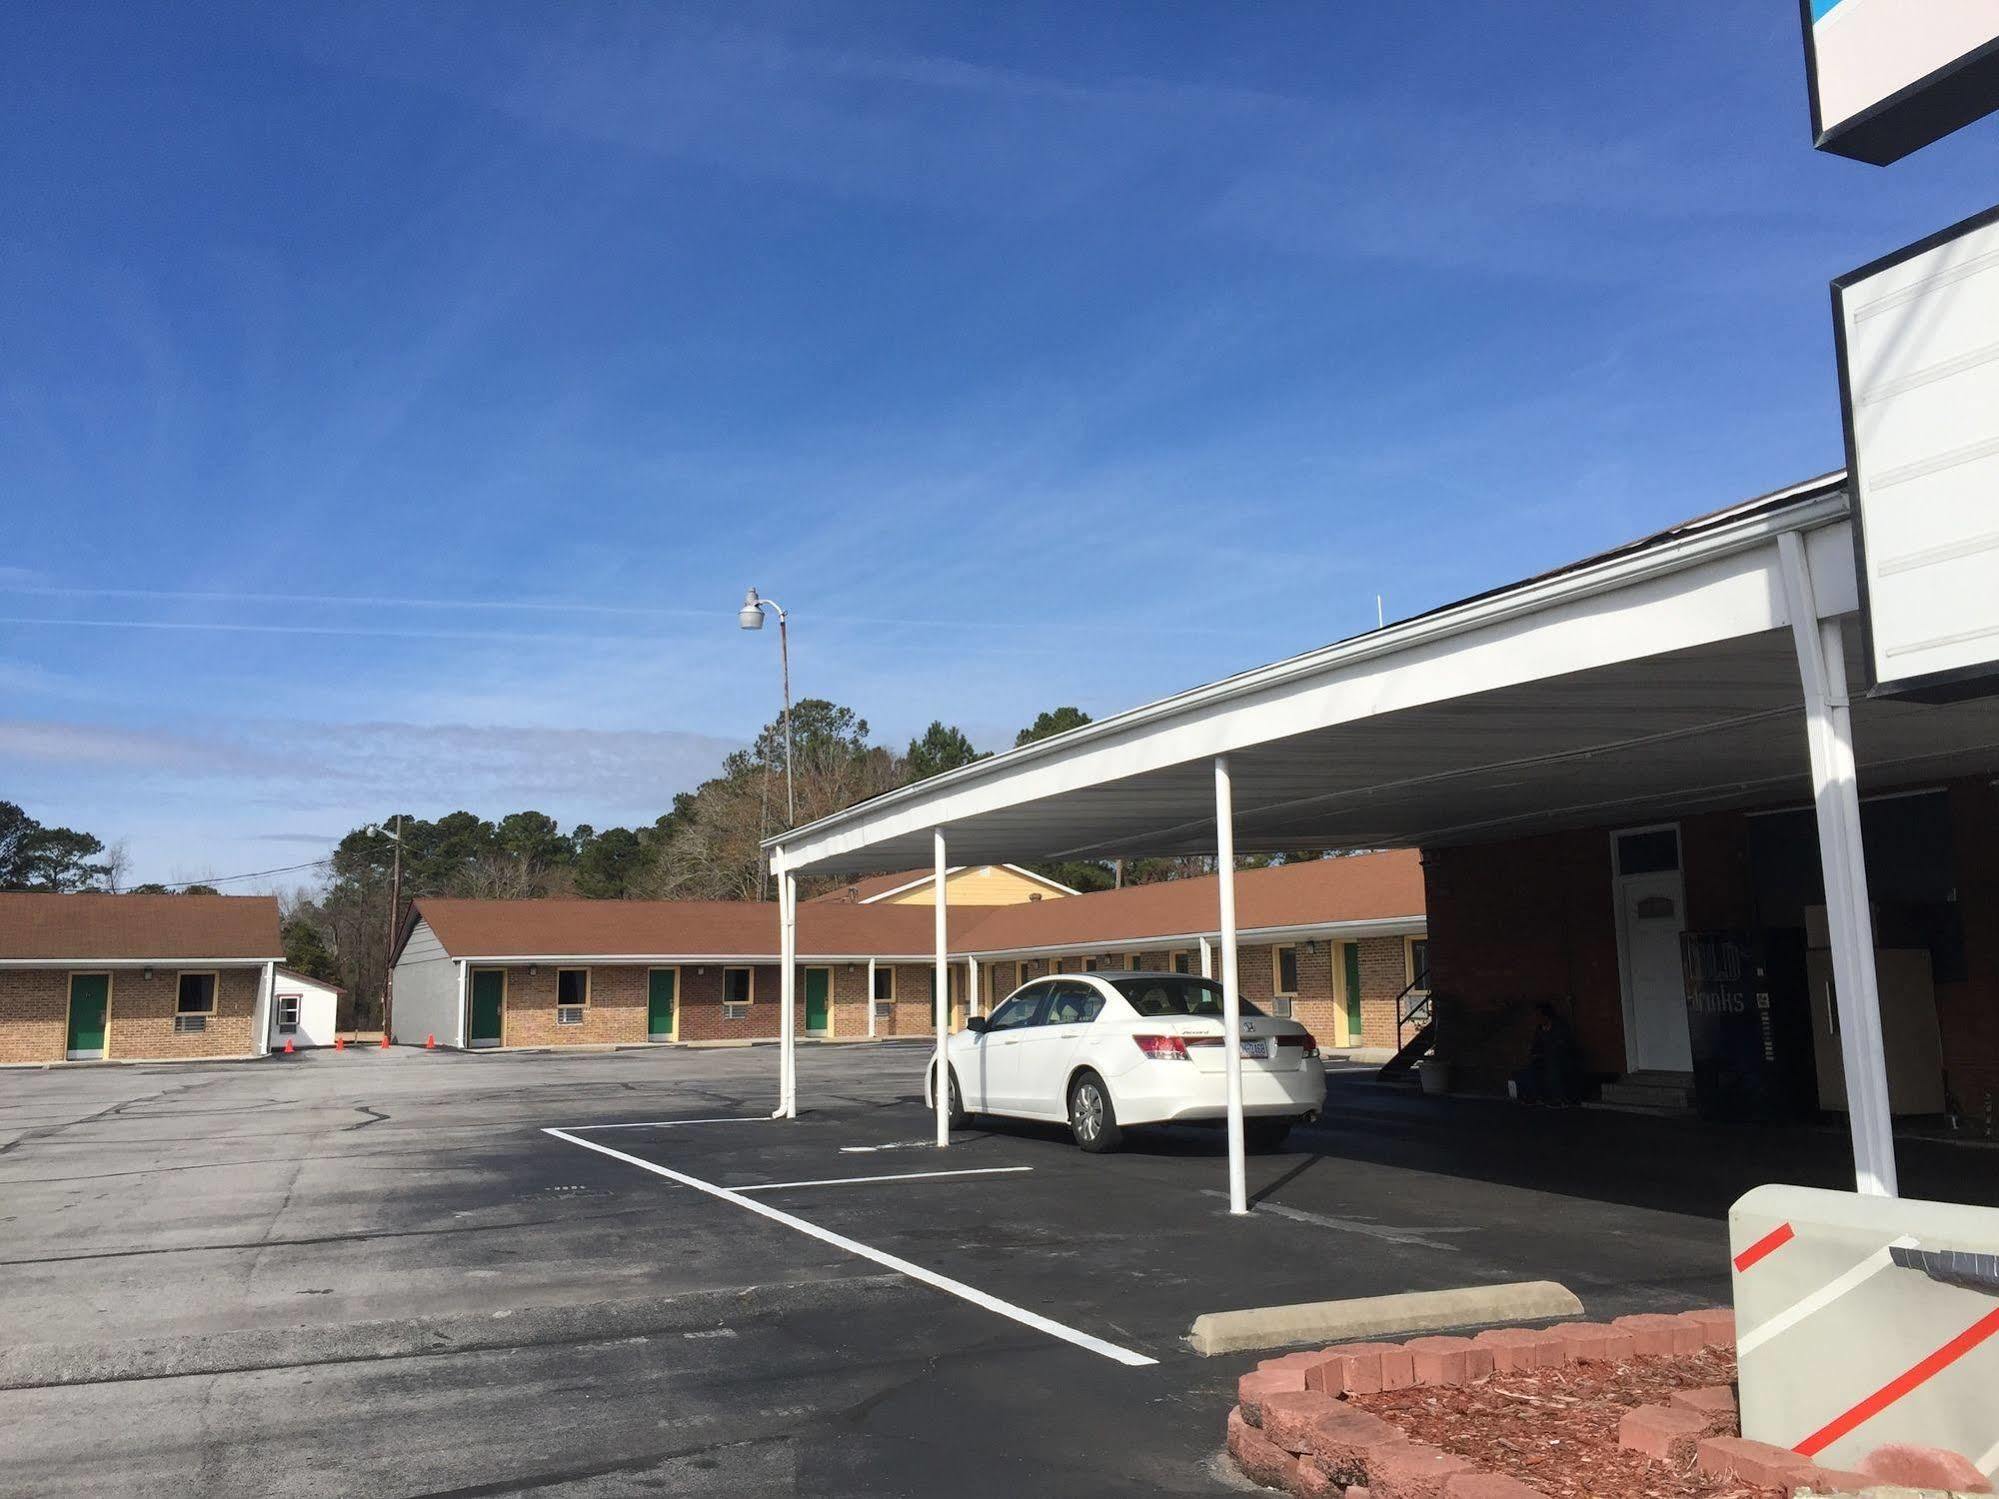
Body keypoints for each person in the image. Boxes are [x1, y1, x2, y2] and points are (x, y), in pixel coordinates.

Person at [1510, 1002, 1578, 1106]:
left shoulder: (1559, 1027)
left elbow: (1563, 1045)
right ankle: (1533, 1096)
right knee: (1531, 1068)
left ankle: (1559, 1098)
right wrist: (1535, 1054)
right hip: (1545, 1058)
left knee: (1553, 1066)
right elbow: (1536, 1045)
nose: (1537, 1019)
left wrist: (1549, 1052)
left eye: (1539, 1016)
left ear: (1546, 1016)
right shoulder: (1539, 1029)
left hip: (1561, 1058)